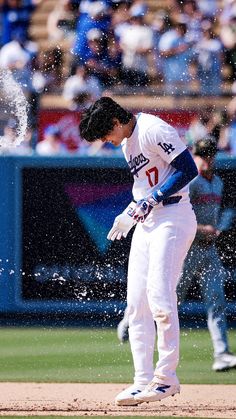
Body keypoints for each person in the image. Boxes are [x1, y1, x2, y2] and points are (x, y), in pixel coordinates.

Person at [79, 97, 198, 406]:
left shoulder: (151, 129)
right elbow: (145, 188)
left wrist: (148, 201)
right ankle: (142, 380)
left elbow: (188, 169)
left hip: (173, 217)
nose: (105, 141)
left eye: (105, 134)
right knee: (136, 305)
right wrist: (133, 210)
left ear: (116, 123)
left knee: (160, 298)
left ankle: (166, 379)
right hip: (149, 220)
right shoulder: (127, 143)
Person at [177, 136, 236, 372]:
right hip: (186, 250)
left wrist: (217, 228)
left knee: (216, 301)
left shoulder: (217, 182)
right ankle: (133, 320)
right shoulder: (189, 182)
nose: (207, 159)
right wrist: (203, 229)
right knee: (171, 301)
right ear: (194, 155)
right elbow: (178, 219)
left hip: (208, 250)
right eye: (202, 154)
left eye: (210, 154)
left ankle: (221, 354)